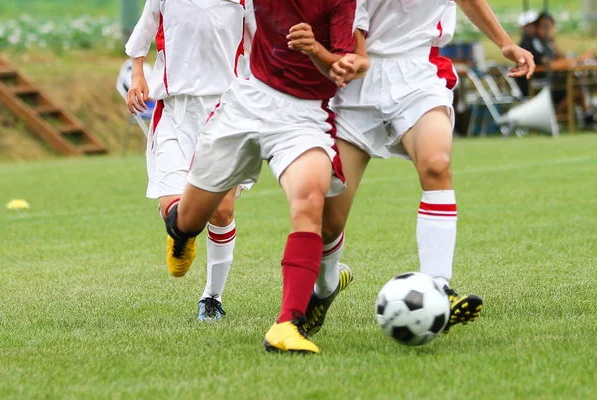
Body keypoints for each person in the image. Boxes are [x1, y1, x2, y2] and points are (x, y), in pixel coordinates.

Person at [302, 0, 536, 337]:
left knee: (436, 165)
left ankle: (439, 289)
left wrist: (505, 43)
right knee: (329, 224)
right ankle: (324, 289)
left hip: (417, 73)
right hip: (355, 80)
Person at [164, 0, 369, 354]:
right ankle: (181, 232)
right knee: (191, 218)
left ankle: (288, 324)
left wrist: (318, 52)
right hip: (246, 102)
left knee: (309, 201)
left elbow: (342, 65)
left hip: (304, 116)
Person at [125, 0, 255, 321]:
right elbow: (143, 31)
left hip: (227, 112)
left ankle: (212, 298)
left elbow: (264, 43)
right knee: (173, 208)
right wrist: (139, 74)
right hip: (176, 111)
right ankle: (182, 235)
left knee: (222, 210)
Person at [521, 12, 596, 128]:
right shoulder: (530, 43)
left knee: (577, 85)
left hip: (548, 83)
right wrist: (579, 59)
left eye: (550, 27)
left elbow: (561, 59)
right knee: (574, 90)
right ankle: (556, 121)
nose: (547, 30)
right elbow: (550, 64)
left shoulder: (547, 43)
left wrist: (553, 42)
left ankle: (584, 117)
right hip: (534, 85)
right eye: (544, 26)